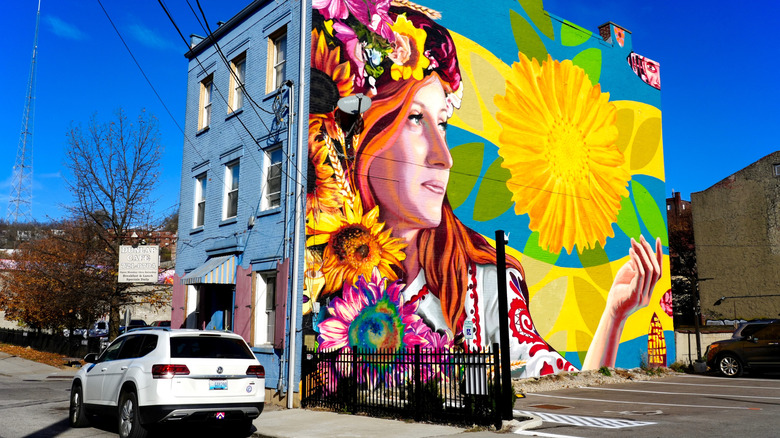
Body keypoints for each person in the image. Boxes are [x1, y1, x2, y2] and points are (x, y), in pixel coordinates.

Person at [309, 3, 663, 377]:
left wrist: (612, 315)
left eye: (443, 123)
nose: (443, 156)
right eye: (415, 118)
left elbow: (545, 373)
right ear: (363, 132)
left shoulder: (483, 276)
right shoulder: (323, 262)